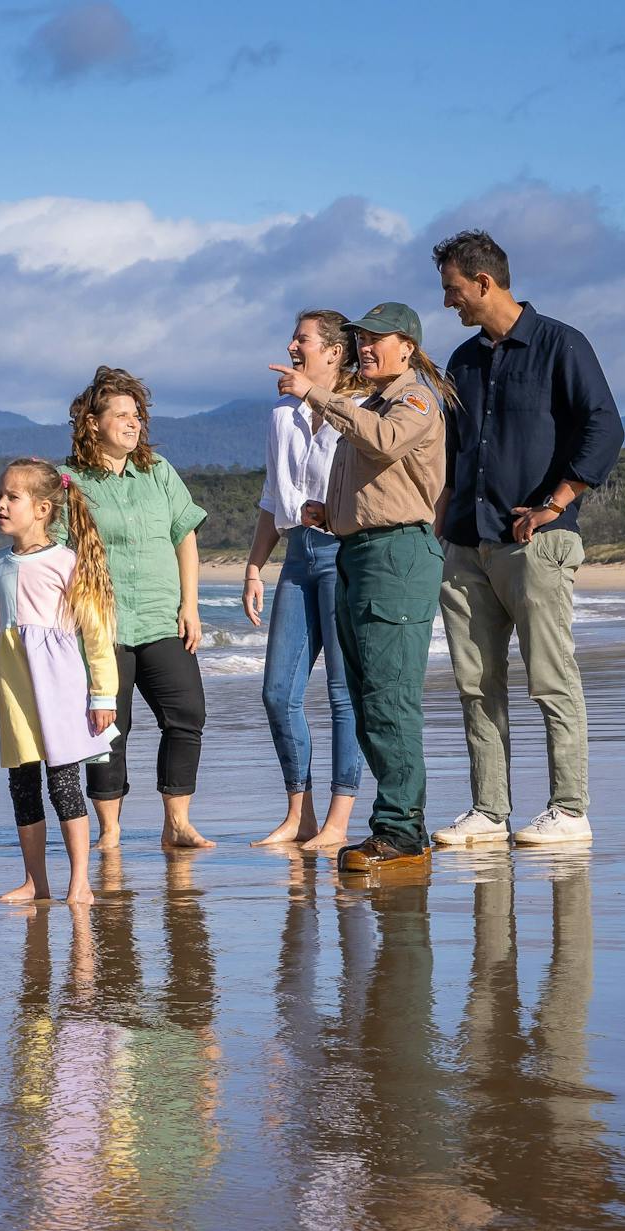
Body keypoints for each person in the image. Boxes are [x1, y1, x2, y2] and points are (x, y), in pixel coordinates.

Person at [431, 229, 622, 849]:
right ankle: (489, 811)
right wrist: (442, 519)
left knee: (550, 676)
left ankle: (569, 809)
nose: (448, 302)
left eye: (453, 290)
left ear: (484, 282)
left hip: (537, 544)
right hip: (466, 542)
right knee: (475, 683)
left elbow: (605, 427)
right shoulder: (462, 361)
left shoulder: (559, 344)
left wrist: (555, 503)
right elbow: (456, 451)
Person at [284, 302, 452, 875]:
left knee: (388, 699)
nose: (366, 347)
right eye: (361, 339)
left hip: (397, 556)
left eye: (377, 339)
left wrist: (319, 396)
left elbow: (384, 443)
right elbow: (379, 483)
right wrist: (328, 512)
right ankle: (400, 824)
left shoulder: (414, 398)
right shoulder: (372, 403)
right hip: (360, 551)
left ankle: (401, 830)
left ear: (407, 346)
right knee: (363, 699)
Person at [0, 458, 119, 906]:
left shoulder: (66, 562)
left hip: (62, 692)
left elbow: (98, 634)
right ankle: (35, 881)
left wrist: (103, 694)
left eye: (12, 497)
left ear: (44, 508)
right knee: (22, 785)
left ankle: (80, 880)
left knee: (64, 783)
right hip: (15, 694)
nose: (1, 504)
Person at [66, 367, 214, 850]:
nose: (134, 424)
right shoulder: (69, 482)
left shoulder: (159, 471)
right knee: (109, 728)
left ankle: (177, 824)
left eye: (138, 416)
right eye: (122, 415)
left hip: (161, 616)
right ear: (93, 423)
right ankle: (110, 831)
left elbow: (184, 537)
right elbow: (52, 553)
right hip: (101, 625)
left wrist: (190, 604)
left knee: (186, 713)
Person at [242, 309, 368, 850]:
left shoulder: (363, 409)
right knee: (278, 692)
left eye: (304, 339)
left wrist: (316, 396)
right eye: (293, 337)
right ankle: (301, 815)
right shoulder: (280, 414)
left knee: (344, 693)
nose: (293, 345)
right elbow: (273, 500)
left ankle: (340, 821)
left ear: (335, 352)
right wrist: (254, 566)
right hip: (297, 555)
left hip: (346, 554)